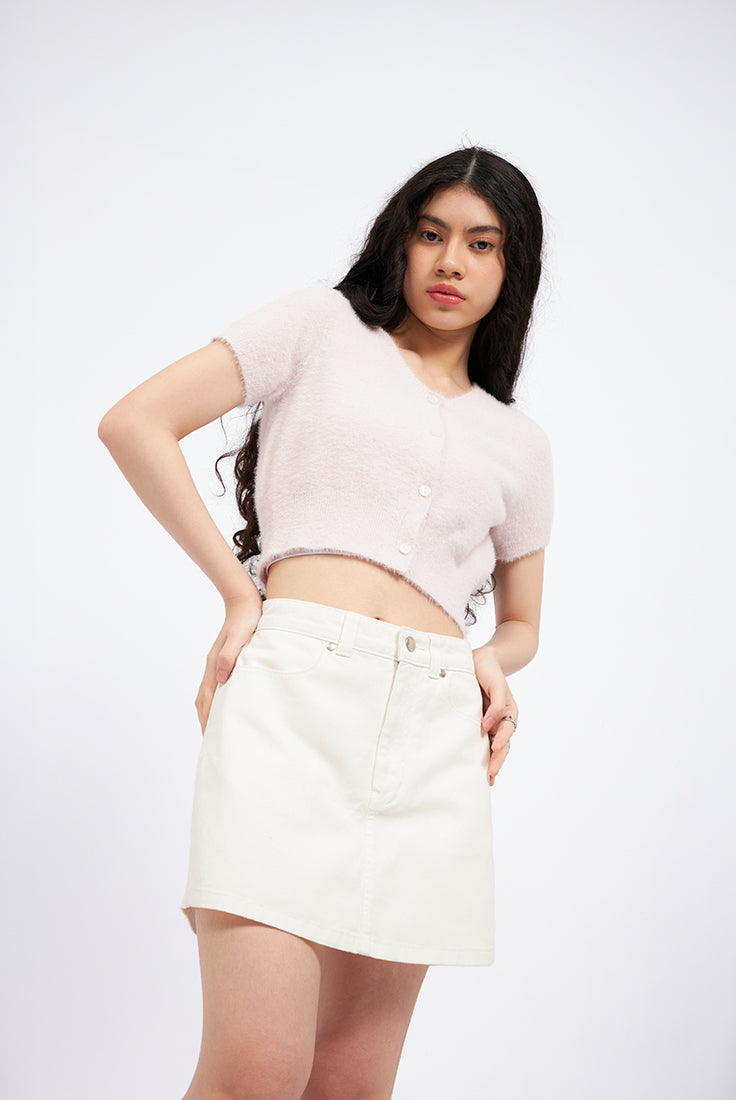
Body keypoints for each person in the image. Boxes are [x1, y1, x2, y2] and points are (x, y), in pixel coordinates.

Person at [98, 145, 554, 1100]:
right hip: (291, 704)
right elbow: (135, 422)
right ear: (400, 240)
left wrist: (489, 660)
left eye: (482, 243)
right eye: (431, 233)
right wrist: (240, 594)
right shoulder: (319, 329)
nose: (451, 261)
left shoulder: (519, 444)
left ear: (512, 269)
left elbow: (523, 623)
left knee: (350, 1084)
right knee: (255, 1076)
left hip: (432, 738)